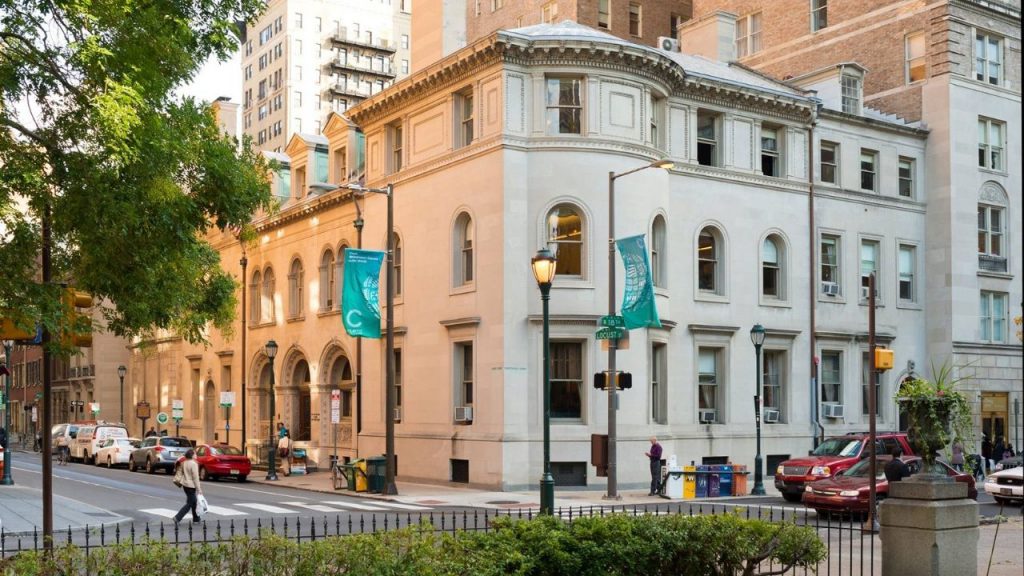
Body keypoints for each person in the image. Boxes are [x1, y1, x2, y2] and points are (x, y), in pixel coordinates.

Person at [173, 449, 203, 525]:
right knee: (190, 503)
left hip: (185, 485)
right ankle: (177, 517)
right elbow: (196, 478)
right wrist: (199, 489)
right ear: (192, 455)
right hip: (191, 486)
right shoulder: (194, 464)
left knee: (194, 502)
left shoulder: (184, 463)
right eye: (195, 454)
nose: (196, 455)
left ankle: (196, 519)